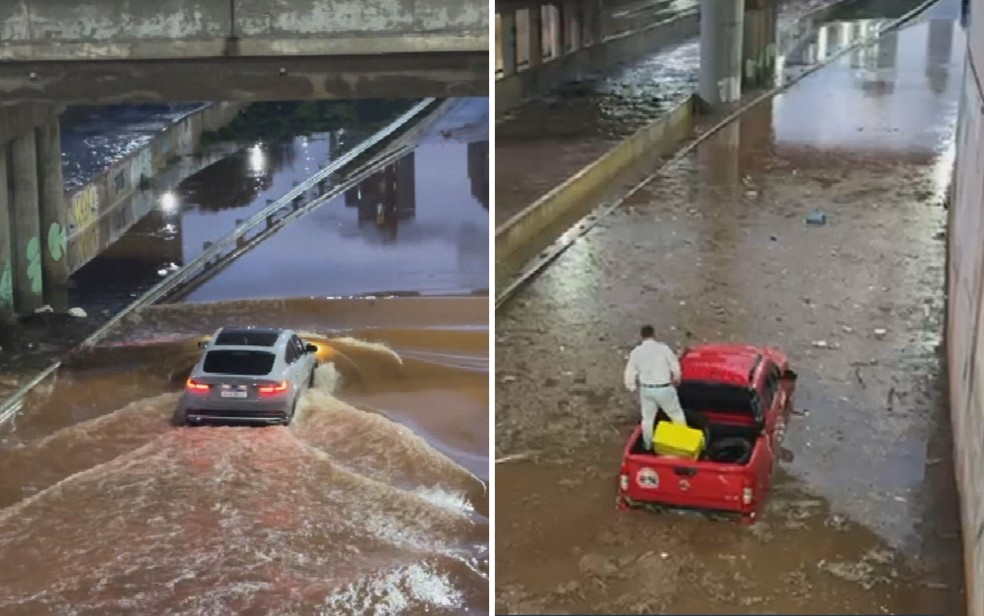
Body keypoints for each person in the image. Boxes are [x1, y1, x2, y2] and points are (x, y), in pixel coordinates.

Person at [623, 325, 687, 451]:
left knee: (647, 419)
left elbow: (630, 371)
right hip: (664, 387)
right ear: (653, 334)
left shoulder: (636, 352)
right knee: (676, 415)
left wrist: (631, 386)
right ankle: (683, 444)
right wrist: (677, 378)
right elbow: (674, 364)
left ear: (642, 336)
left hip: (646, 389)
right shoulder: (663, 349)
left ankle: (648, 446)